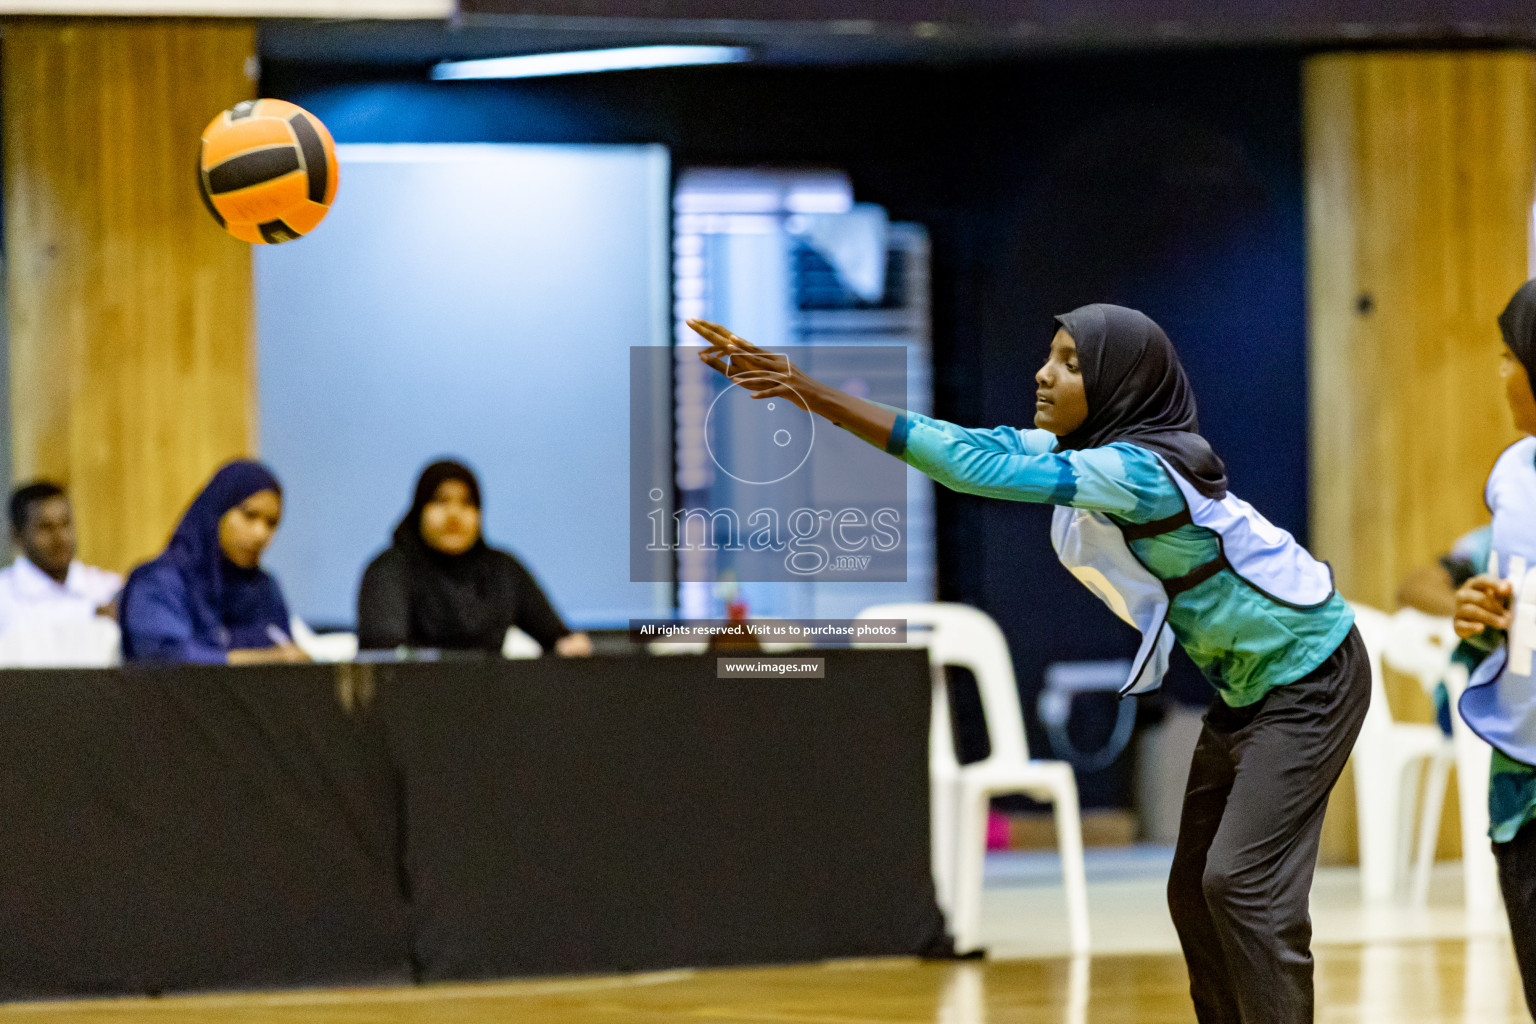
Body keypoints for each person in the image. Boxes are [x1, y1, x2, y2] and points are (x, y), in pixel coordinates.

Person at [691, 306, 1368, 1024]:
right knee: (1193, 892)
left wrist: (807, 391)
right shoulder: (1092, 452)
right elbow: (962, 443)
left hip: (1313, 677)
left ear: (1119, 384)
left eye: (1072, 362)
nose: (1045, 373)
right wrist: (810, 393)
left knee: (1240, 885)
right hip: (1250, 689)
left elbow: (966, 468)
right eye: (1050, 355)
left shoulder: (1135, 468)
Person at [1452, 277, 1536, 1016]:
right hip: (1522, 781)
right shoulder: (1512, 474)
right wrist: (1479, 610)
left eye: (1511, 356)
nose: (1501, 374)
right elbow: (1509, 601)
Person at [356, 460, 592, 657]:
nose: (454, 515)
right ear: (419, 511)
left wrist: (571, 648)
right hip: (412, 702)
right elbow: (384, 653)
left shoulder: (502, 570)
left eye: (467, 503)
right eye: (440, 501)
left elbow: (559, 638)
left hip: (492, 702)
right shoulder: (390, 570)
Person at [119, 460, 307, 665]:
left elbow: (286, 650)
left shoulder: (265, 589)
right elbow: (166, 659)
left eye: (271, 523)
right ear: (218, 511)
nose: (261, 534)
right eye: (249, 515)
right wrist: (264, 661)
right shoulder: (159, 582)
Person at [0, 481, 121, 635]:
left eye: (65, 524)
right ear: (16, 536)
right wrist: (92, 615)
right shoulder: (3, 595)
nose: (60, 538)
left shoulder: (107, 588)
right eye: (45, 527)